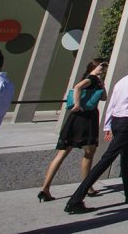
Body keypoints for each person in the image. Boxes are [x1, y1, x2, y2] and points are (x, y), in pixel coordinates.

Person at [65, 55, 128, 215]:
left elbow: (112, 104)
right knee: (106, 160)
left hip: (117, 121)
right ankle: (75, 200)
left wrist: (108, 125)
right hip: (126, 123)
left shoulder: (122, 81)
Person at [39, 60, 108, 201]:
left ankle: (45, 188)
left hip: (75, 119)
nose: (104, 68)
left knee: (63, 152)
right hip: (86, 118)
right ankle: (87, 187)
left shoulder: (94, 80)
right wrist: (77, 104)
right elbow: (77, 87)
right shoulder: (91, 79)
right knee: (89, 152)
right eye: (102, 65)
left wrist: (102, 84)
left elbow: (103, 97)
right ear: (94, 67)